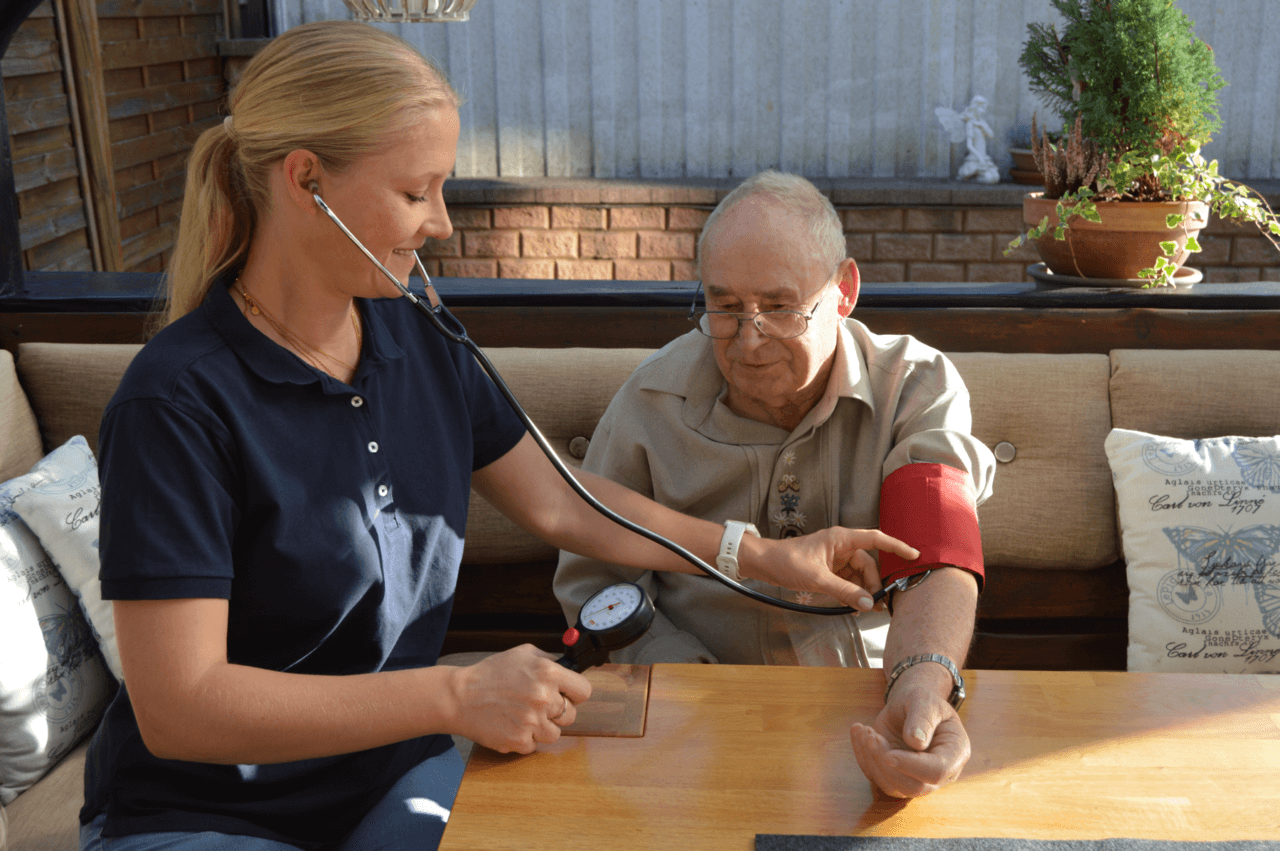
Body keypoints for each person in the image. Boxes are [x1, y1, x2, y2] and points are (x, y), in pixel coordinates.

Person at [77, 23, 921, 851]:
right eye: (416, 192)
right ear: (305, 182)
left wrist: (765, 556)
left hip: (382, 779)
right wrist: (452, 695)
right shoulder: (176, 401)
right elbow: (180, 707)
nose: (441, 222)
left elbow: (562, 503)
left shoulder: (421, 341)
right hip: (204, 816)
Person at [554, 170, 996, 799]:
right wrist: (694, 688)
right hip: (688, 723)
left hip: (867, 701)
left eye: (780, 307)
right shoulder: (649, 402)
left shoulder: (914, 386)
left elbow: (936, 547)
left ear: (843, 291)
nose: (747, 339)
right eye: (725, 307)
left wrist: (923, 683)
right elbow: (593, 580)